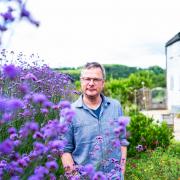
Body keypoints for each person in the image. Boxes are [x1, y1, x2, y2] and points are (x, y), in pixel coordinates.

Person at [61, 62, 129, 179]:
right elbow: (64, 150)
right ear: (81, 81)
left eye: (96, 79)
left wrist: (121, 170)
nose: (91, 83)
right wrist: (75, 176)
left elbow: (122, 141)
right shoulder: (68, 112)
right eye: (87, 79)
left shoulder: (115, 106)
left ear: (103, 83)